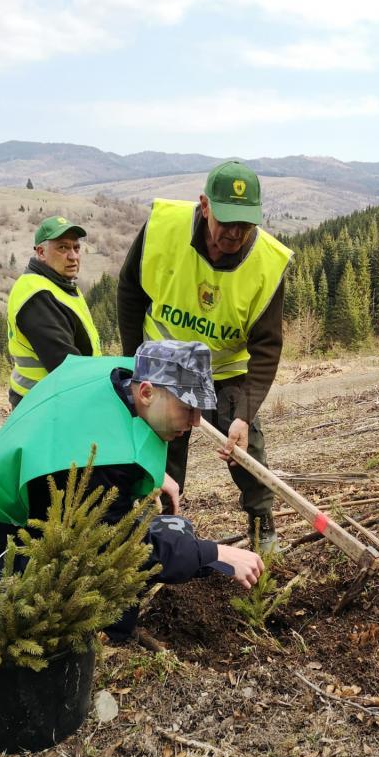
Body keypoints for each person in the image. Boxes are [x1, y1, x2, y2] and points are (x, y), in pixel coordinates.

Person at [0, 340, 264, 639]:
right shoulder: (96, 466)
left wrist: (156, 472)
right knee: (112, 569)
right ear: (146, 392)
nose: (196, 421)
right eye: (187, 407)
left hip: (12, 494)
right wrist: (213, 554)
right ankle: (97, 636)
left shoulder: (120, 375)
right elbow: (114, 544)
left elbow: (96, 429)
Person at [117, 160, 293, 548]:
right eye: (226, 221)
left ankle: (263, 529)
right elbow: (130, 291)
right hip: (166, 367)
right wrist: (136, 364)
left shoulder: (268, 263)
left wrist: (244, 415)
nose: (234, 233)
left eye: (244, 224)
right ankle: (158, 533)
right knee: (160, 450)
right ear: (204, 205)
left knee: (248, 450)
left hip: (227, 370)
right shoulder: (163, 229)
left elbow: (267, 346)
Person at [6, 215, 102, 408]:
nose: (73, 256)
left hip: (54, 396)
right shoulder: (37, 296)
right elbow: (65, 365)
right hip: (42, 403)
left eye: (76, 248)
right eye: (63, 248)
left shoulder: (59, 284)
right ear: (41, 252)